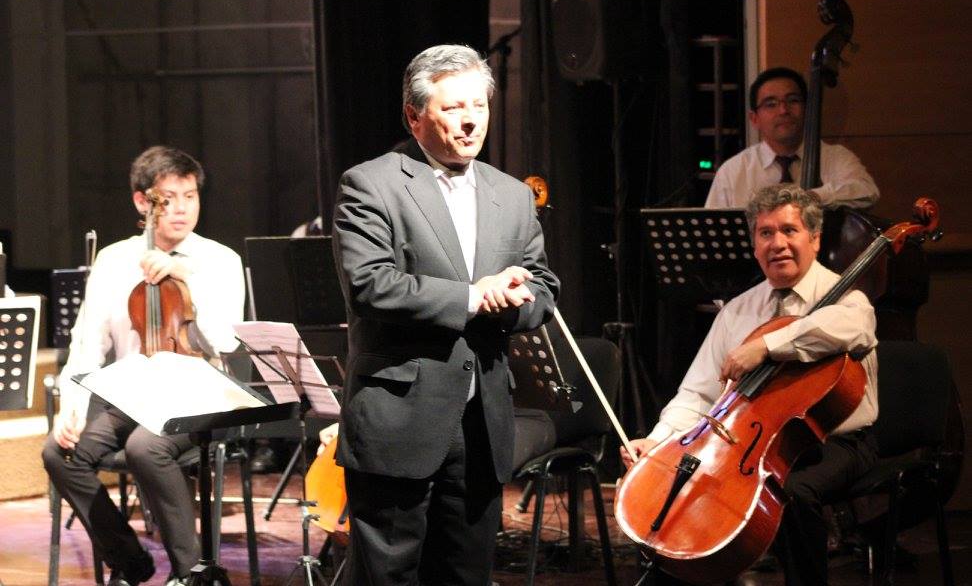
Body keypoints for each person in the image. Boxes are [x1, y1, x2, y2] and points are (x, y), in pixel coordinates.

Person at [331, 44, 560, 585]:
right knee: (388, 576)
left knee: (466, 575)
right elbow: (369, 285)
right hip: (399, 417)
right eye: (453, 107)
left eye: (479, 106)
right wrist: (473, 297)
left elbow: (544, 286)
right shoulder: (371, 183)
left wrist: (514, 301)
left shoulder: (512, 195)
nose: (470, 121)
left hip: (482, 421)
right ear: (414, 116)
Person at [623, 184, 879, 585]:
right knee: (682, 495)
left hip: (837, 441)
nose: (777, 243)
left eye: (790, 230)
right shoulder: (738, 311)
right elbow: (698, 393)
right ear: (755, 246)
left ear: (814, 238)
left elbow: (854, 328)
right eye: (766, 233)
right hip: (752, 445)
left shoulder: (847, 299)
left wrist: (767, 346)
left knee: (794, 494)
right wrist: (658, 442)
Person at [42, 146, 245, 586]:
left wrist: (187, 278)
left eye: (190, 196)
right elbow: (88, 343)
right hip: (132, 396)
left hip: (202, 396)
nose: (182, 209)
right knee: (59, 452)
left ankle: (192, 573)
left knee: (144, 448)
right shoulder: (114, 260)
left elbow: (225, 343)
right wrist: (71, 407)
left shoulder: (220, 261)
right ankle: (130, 560)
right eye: (168, 199)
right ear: (142, 202)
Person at [705, 67, 879, 210]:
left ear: (808, 110)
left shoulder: (835, 156)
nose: (783, 110)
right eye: (771, 104)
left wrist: (813, 197)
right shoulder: (733, 171)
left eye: (793, 100)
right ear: (754, 118)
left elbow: (867, 191)